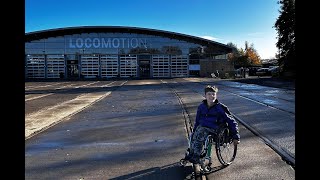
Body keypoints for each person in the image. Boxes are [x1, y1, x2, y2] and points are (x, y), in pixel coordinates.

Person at [183, 85, 240, 173]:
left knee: (201, 132)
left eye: (213, 94)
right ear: (205, 96)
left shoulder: (220, 108)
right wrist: (194, 131)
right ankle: (192, 154)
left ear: (216, 95)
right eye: (209, 94)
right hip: (202, 127)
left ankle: (195, 157)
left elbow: (232, 121)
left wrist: (236, 136)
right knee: (195, 134)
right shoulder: (201, 107)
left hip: (215, 129)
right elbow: (197, 121)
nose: (211, 96)